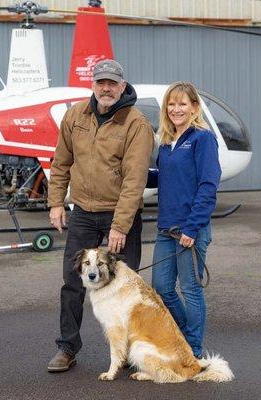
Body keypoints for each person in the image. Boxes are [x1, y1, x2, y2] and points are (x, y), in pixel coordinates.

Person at [47, 59, 154, 372]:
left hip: (121, 214)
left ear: (122, 86)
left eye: (112, 83)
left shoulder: (136, 123)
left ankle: (133, 351)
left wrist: (120, 226)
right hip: (82, 211)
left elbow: (135, 180)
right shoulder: (74, 116)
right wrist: (56, 202)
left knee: (127, 285)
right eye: (100, 82)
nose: (106, 88)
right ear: (92, 85)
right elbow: (61, 162)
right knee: (72, 282)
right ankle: (67, 348)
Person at [148, 81, 221, 359]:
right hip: (166, 229)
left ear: (194, 107)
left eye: (182, 104)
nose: (176, 109)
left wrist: (192, 226)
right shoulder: (167, 143)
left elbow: (208, 185)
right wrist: (132, 173)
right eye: (171, 103)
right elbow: (164, 177)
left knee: (190, 289)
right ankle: (182, 336)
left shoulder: (203, 138)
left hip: (191, 229)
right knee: (162, 287)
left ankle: (193, 350)